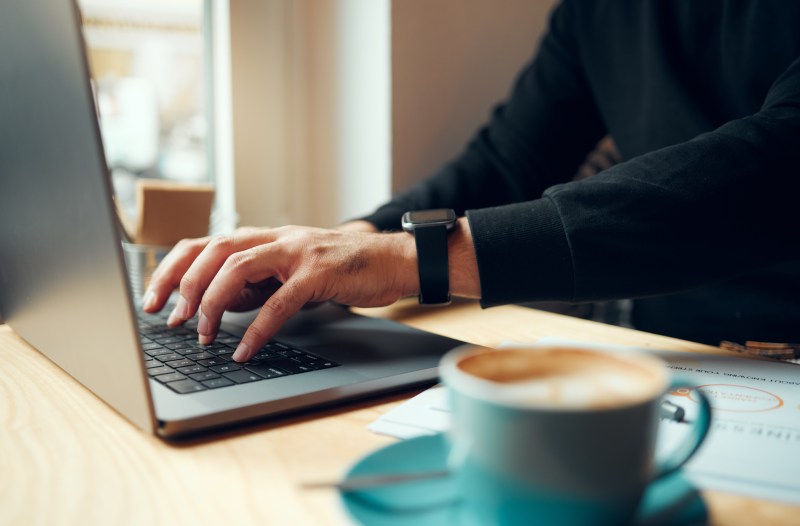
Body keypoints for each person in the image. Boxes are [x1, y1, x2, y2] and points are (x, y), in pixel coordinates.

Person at [144, 0, 800, 363]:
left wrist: (416, 259)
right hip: (675, 359)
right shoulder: (594, 13)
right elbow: (507, 164)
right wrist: (345, 244)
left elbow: (771, 172)